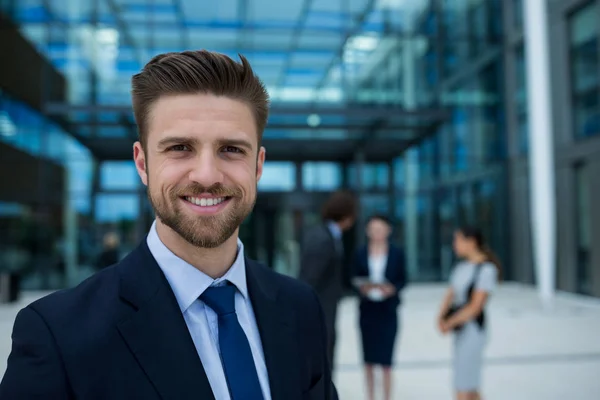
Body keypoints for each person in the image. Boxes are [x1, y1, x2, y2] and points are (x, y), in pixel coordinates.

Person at [0, 50, 337, 400]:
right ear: (143, 163)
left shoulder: (300, 308)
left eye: (231, 149)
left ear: (257, 165)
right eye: (180, 147)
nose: (207, 175)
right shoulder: (58, 335)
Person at [436, 226, 501, 400]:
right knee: (469, 385)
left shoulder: (486, 270)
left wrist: (449, 323)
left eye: (457, 240)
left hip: (473, 331)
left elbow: (475, 307)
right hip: (460, 330)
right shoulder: (461, 268)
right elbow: (450, 294)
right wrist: (441, 318)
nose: (454, 245)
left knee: (464, 386)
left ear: (471, 242)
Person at [298, 190, 357, 370]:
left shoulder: (330, 236)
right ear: (347, 215)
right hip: (320, 310)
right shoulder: (322, 238)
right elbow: (310, 277)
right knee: (322, 359)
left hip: (327, 308)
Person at [352, 215, 407, 400]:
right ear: (367, 231)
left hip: (388, 310)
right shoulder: (360, 252)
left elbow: (403, 279)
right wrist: (363, 286)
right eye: (373, 229)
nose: (377, 233)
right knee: (368, 360)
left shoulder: (397, 253)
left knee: (386, 362)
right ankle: (370, 397)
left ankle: (387, 397)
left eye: (380, 229)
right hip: (367, 310)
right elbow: (352, 277)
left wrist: (392, 289)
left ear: (388, 230)